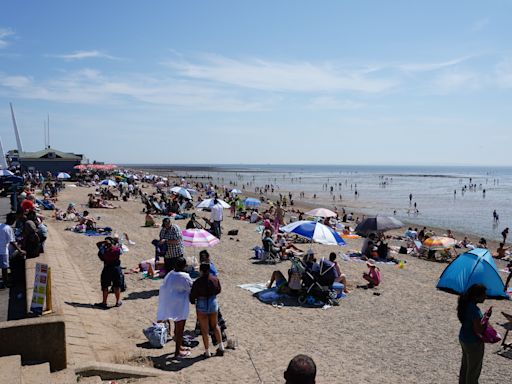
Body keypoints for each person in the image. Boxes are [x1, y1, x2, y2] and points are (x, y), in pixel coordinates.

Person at [156, 257, 193, 359]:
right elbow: (191, 289)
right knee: (179, 329)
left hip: (169, 303)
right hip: (180, 305)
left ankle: (179, 347)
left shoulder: (170, 274)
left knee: (177, 328)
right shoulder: (185, 277)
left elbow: (164, 287)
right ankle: (177, 352)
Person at [190, 263, 224, 357]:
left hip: (201, 303)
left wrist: (193, 301)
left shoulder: (197, 282)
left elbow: (193, 295)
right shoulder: (215, 279)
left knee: (204, 330)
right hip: (212, 302)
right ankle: (221, 347)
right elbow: (219, 290)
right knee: (215, 325)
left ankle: (207, 352)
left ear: (201, 271)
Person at [457, 284, 487, 384]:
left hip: (464, 339)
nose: (485, 297)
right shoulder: (475, 310)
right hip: (473, 342)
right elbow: (478, 329)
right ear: (477, 296)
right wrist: (486, 320)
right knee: (473, 371)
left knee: (465, 367)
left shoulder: (465, 305)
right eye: (484, 294)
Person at [95, 237, 123, 308]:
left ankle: (104, 302)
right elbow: (121, 250)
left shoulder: (103, 250)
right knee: (117, 285)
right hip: (116, 268)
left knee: (105, 286)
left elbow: (97, 244)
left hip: (107, 268)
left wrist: (104, 242)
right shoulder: (117, 249)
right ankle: (117, 301)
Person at [0, 213, 24, 288]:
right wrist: (20, 250)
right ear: (13, 220)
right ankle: (6, 283)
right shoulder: (9, 228)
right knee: (4, 268)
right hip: (3, 251)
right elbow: (12, 242)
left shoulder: (1, 225)